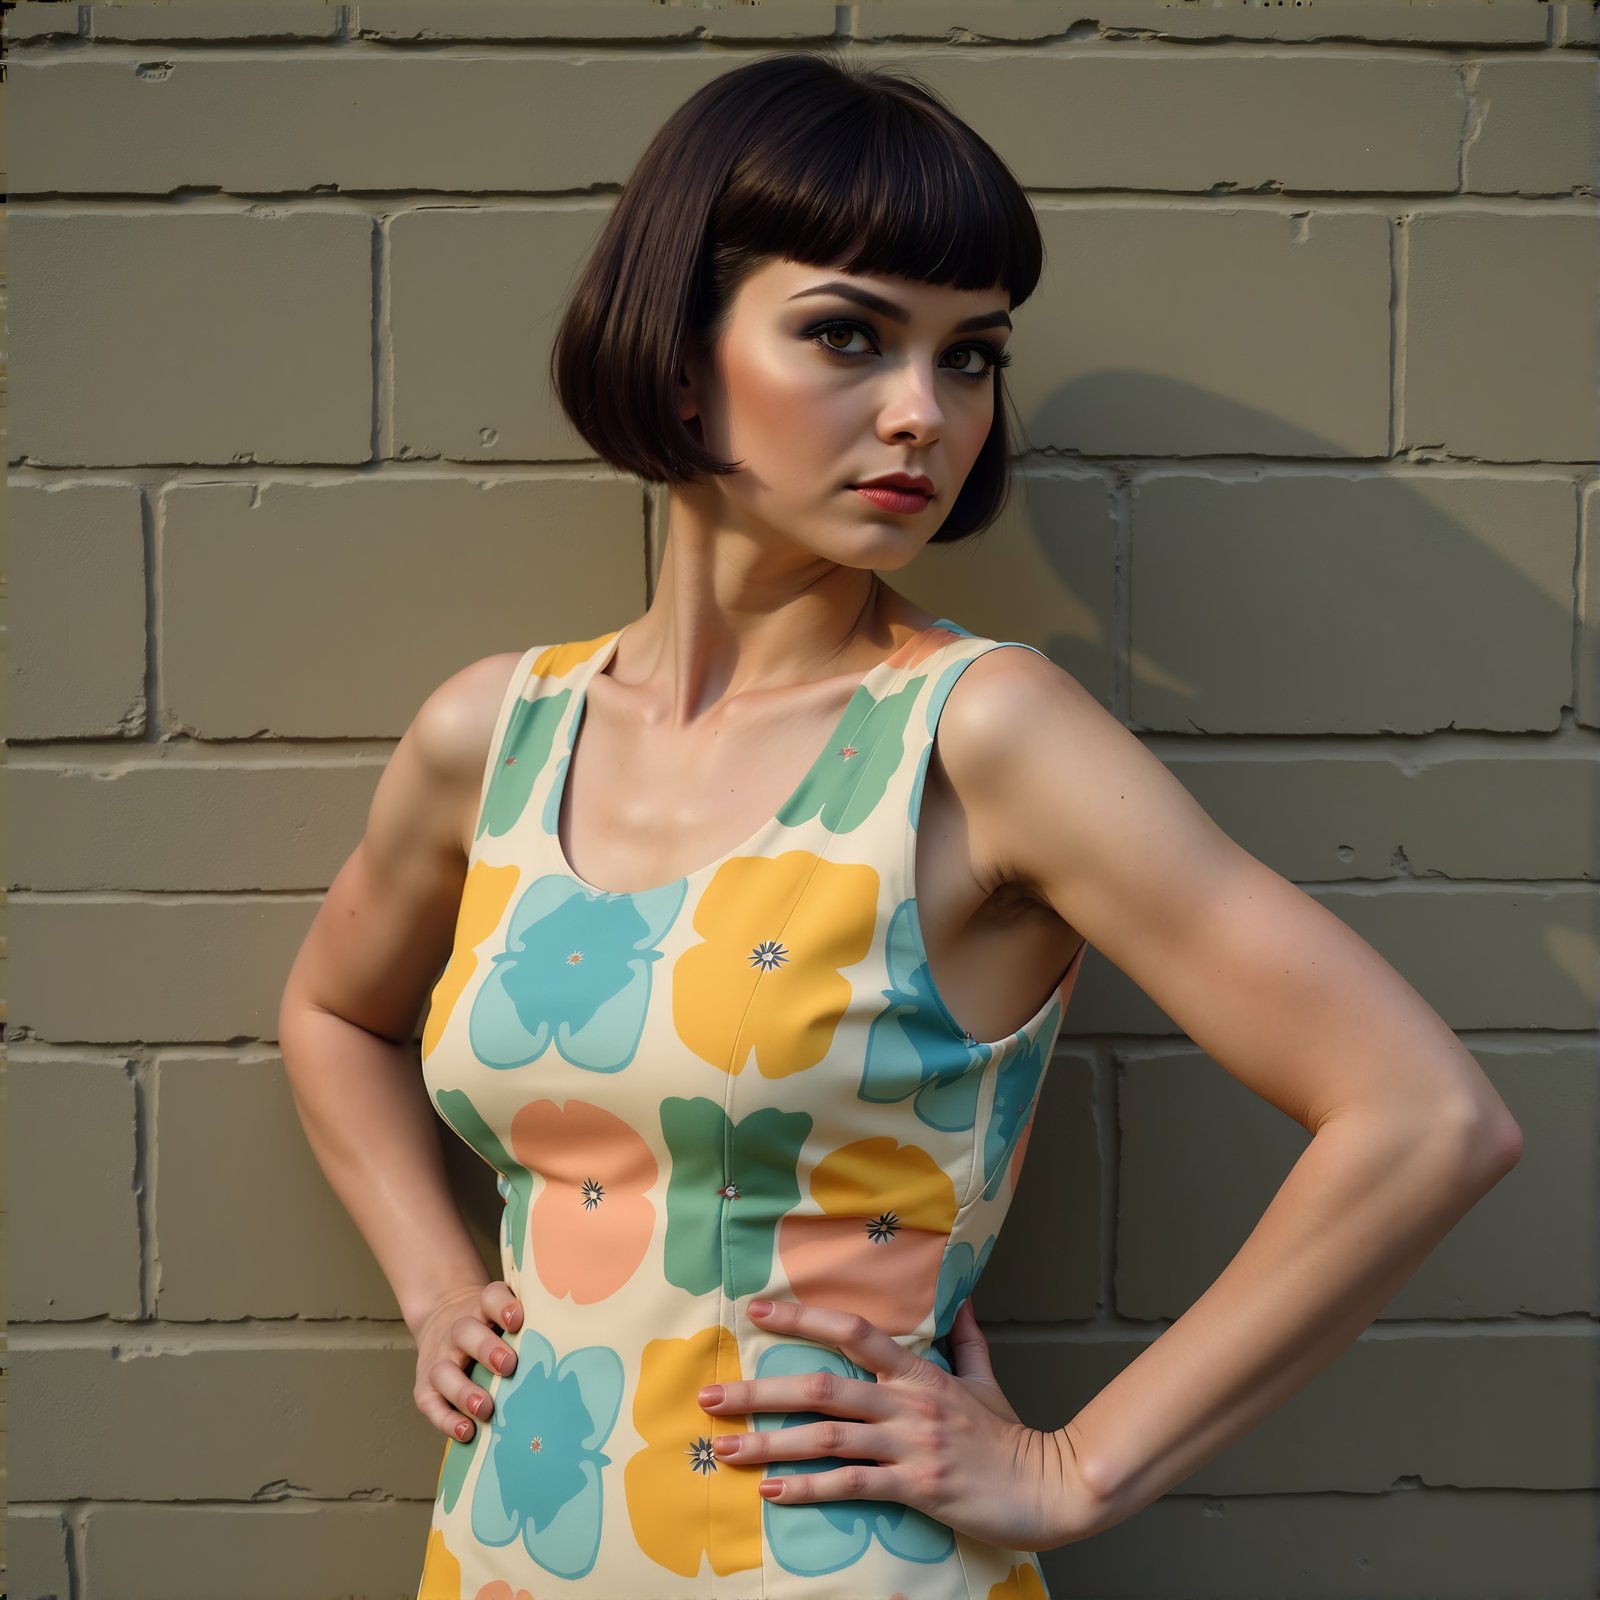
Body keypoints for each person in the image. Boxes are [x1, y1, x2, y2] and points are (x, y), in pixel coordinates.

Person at [277, 46, 1523, 1600]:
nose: (925, 415)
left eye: (972, 355)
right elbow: (335, 1009)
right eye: (849, 336)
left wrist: (1074, 1468)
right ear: (676, 354)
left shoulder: (979, 737)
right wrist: (431, 1285)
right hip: (505, 1557)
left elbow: (1424, 1119)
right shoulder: (495, 737)